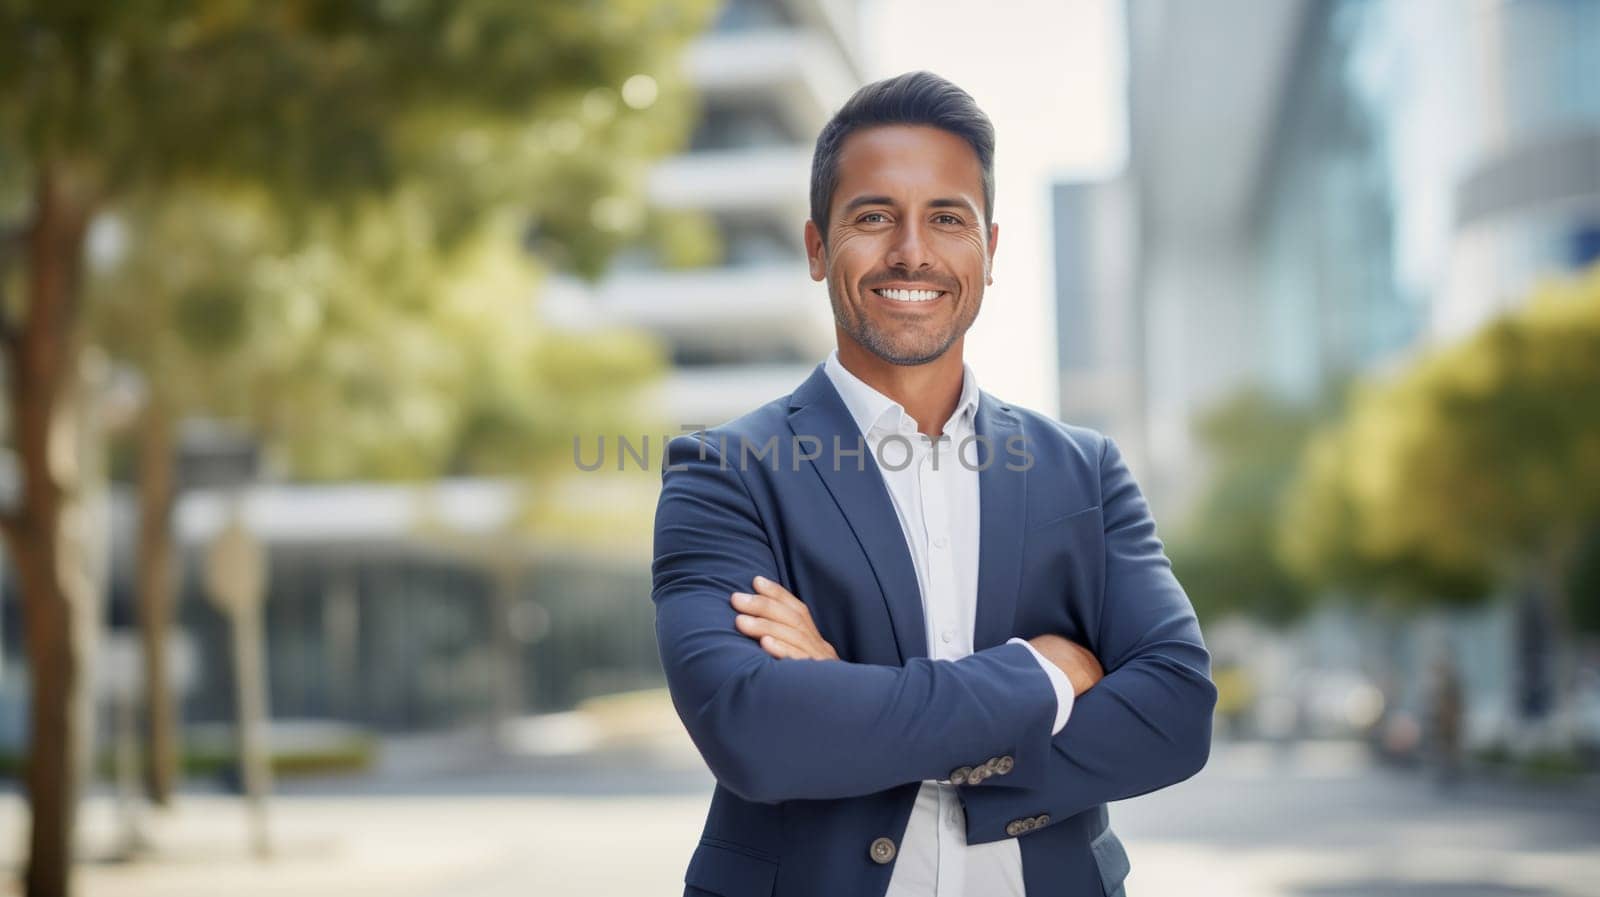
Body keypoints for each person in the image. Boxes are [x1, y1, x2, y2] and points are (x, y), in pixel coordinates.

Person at [651, 70, 1215, 897]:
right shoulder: (725, 472)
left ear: (990, 250)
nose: (911, 250)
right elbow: (756, 731)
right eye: (873, 216)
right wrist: (1046, 675)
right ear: (817, 247)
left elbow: (1175, 713)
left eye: (946, 218)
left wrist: (853, 704)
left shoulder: (1083, 470)